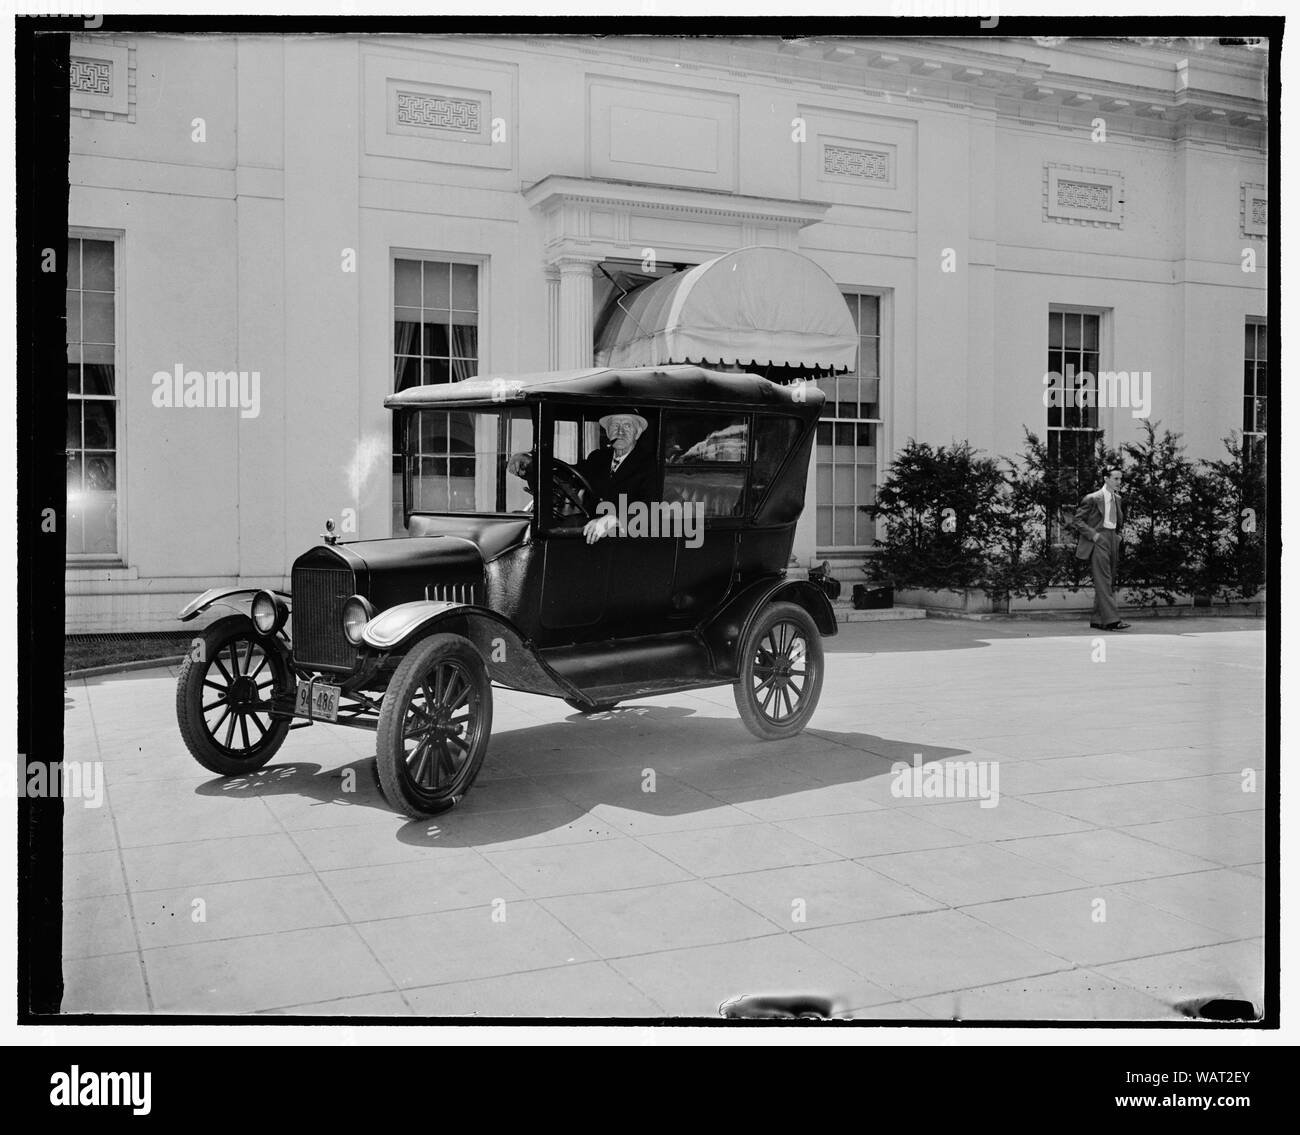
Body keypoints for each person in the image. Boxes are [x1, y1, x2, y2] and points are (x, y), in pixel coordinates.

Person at [507, 410, 656, 543]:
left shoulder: (649, 464)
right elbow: (567, 473)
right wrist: (529, 461)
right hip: (591, 531)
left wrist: (615, 519)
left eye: (627, 426)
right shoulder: (598, 458)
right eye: (615, 426)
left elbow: (651, 509)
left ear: (637, 433)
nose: (620, 432)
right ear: (608, 432)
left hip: (628, 539)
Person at [1070, 466, 1130, 630]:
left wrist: (1116, 536)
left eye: (1120, 479)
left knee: (1108, 580)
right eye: (1116, 478)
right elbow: (1077, 521)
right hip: (1098, 539)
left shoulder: (1117, 498)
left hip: (1112, 539)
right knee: (1104, 580)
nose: (1119, 482)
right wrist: (1093, 535)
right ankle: (1112, 620)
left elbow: (1118, 521)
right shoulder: (1092, 498)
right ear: (1106, 478)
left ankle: (1097, 619)